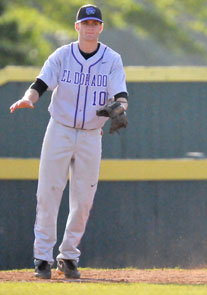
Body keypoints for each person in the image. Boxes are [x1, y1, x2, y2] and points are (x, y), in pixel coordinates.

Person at [9, 4, 128, 279]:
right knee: (48, 192)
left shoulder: (112, 59)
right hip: (59, 129)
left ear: (100, 27)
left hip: (90, 135)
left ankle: (69, 256)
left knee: (84, 199)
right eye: (84, 23)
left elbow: (120, 94)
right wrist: (29, 99)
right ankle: (42, 258)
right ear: (77, 27)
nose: (89, 27)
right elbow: (40, 83)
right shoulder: (63, 55)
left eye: (94, 23)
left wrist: (120, 108)